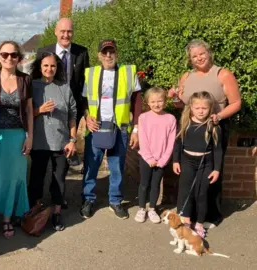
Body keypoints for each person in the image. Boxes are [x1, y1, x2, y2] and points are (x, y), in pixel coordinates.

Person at [176, 39, 241, 228]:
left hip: (214, 127)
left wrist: (218, 116)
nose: (199, 58)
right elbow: (183, 102)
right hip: (191, 128)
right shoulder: (186, 76)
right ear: (190, 59)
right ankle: (191, 215)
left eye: (201, 54)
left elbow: (236, 102)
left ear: (209, 52)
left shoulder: (222, 74)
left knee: (211, 172)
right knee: (189, 175)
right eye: (194, 56)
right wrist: (175, 97)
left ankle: (212, 215)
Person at [80, 39, 143, 219]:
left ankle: (115, 200)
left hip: (120, 127)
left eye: (112, 51)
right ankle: (88, 199)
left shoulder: (128, 72)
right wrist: (87, 117)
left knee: (117, 166)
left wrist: (136, 128)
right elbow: (84, 99)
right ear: (99, 55)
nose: (108, 55)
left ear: (117, 53)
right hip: (95, 127)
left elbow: (137, 101)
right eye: (105, 52)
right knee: (91, 165)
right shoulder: (91, 73)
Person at [0, 41, 33, 238]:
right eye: (5, 54)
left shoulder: (25, 79)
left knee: (14, 178)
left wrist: (30, 137)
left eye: (13, 54)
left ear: (19, 58)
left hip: (18, 136)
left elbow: (28, 110)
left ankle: (8, 218)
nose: (9, 58)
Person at [28, 52, 77, 231]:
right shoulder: (32, 86)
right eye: (46, 66)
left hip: (61, 142)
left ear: (57, 68)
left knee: (59, 179)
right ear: (40, 67)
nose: (49, 69)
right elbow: (25, 114)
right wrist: (39, 110)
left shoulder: (64, 88)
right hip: (39, 142)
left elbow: (73, 115)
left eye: (53, 66)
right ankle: (36, 210)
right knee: (37, 178)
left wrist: (72, 140)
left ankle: (56, 212)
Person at [173, 91, 223, 238]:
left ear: (210, 109)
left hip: (206, 163)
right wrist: (176, 160)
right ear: (191, 108)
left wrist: (217, 169)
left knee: (201, 194)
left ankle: (200, 223)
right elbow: (178, 144)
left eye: (204, 108)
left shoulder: (213, 127)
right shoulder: (185, 123)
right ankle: (186, 221)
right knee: (185, 192)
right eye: (197, 108)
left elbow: (218, 150)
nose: (201, 111)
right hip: (187, 161)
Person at [134, 87, 176, 224]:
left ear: (165, 102)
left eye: (159, 101)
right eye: (153, 101)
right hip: (146, 158)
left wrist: (164, 159)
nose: (156, 104)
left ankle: (152, 208)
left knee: (156, 185)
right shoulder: (143, 118)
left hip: (161, 160)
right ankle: (141, 208)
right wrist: (150, 158)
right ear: (147, 103)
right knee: (144, 184)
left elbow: (171, 142)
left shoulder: (170, 118)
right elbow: (143, 139)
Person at [37, 17, 89, 124]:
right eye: (62, 31)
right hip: (49, 105)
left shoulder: (82, 52)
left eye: (69, 32)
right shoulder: (43, 52)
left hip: (73, 107)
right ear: (56, 32)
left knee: (70, 138)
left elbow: (85, 81)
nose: (66, 35)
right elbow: (36, 79)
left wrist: (85, 108)